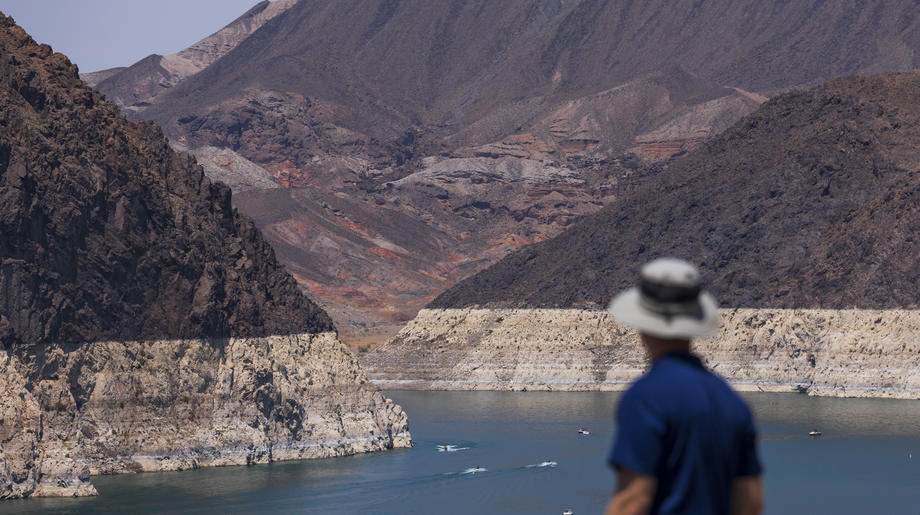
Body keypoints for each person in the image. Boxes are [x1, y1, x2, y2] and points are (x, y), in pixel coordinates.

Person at [604, 258, 763, 515]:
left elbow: (633, 501)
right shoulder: (730, 400)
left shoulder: (645, 397)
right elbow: (751, 500)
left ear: (642, 326)